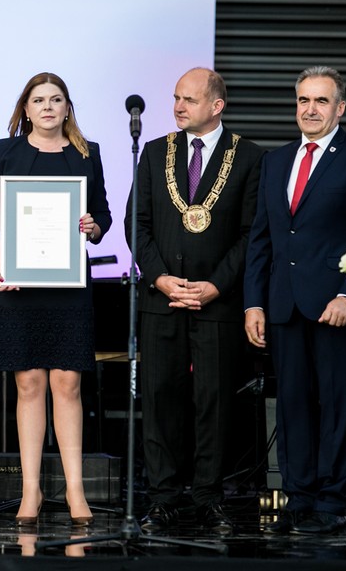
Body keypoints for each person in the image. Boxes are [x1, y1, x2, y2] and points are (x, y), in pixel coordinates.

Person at [244, 66, 346, 535]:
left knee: (336, 403)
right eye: (303, 100)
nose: (310, 109)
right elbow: (261, 240)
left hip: (337, 307)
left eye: (321, 101)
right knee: (291, 404)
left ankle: (331, 500)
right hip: (284, 305)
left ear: (340, 108)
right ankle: (299, 495)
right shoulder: (275, 161)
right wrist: (254, 303)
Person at [124, 67, 264, 536]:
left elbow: (251, 234)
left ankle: (208, 497)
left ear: (216, 106)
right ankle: (163, 499)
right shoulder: (152, 152)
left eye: (189, 99)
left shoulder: (249, 157)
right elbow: (136, 225)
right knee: (161, 399)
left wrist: (217, 285)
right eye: (176, 98)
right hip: (162, 301)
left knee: (214, 402)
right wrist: (160, 277)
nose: (178, 106)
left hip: (217, 304)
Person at [0, 72, 111, 527]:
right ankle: (30, 491)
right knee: (29, 383)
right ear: (26, 108)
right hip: (19, 287)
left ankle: (75, 491)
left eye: (56, 100)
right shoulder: (6, 152)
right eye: (39, 100)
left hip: (69, 287)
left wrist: (92, 227)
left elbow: (103, 218)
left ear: (67, 108)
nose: (48, 107)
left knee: (67, 385)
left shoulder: (87, 154)